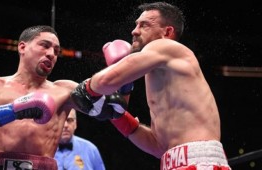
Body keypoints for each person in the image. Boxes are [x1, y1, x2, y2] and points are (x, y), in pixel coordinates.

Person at [70, 2, 232, 170]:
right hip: (175, 162)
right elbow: (158, 147)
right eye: (136, 24)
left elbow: (106, 81)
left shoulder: (166, 47)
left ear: (167, 32)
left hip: (200, 161)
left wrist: (85, 89)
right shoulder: (159, 76)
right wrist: (118, 117)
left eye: (144, 25)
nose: (134, 30)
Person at [0, 25, 82, 170]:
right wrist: (13, 110)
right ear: (22, 47)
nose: (51, 54)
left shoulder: (64, 90)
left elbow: (105, 104)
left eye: (56, 51)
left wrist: (115, 68)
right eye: (45, 45)